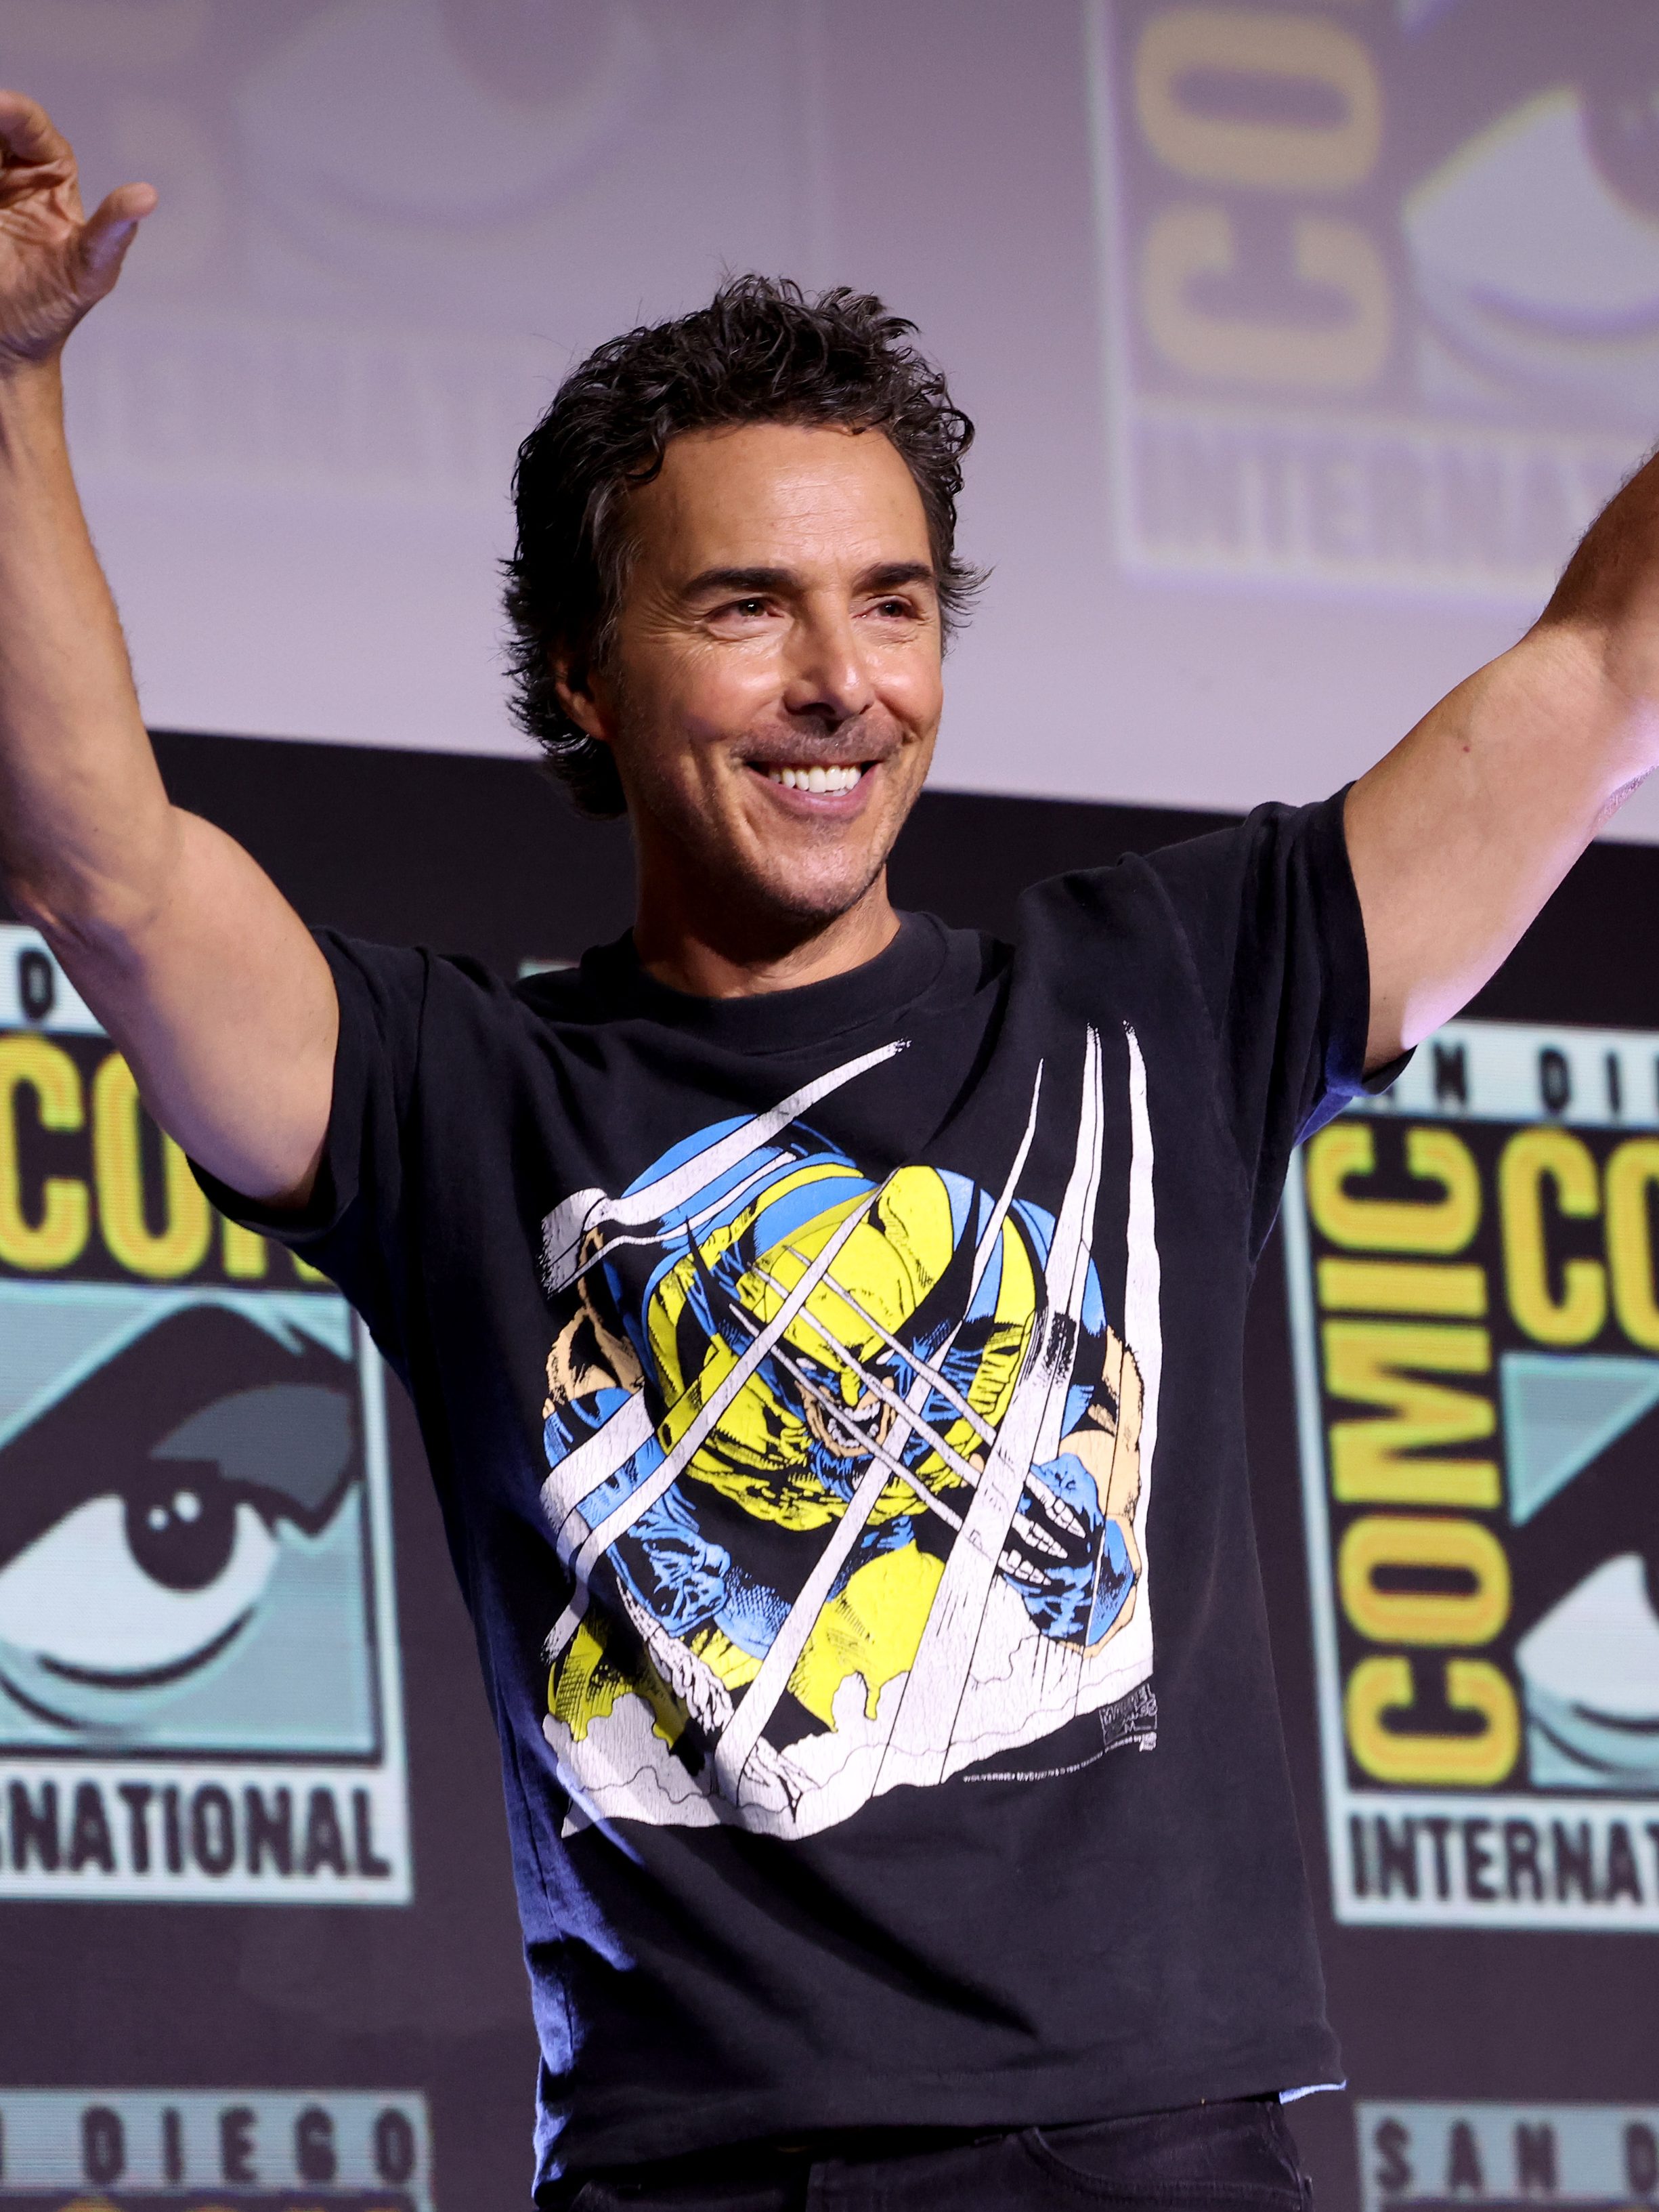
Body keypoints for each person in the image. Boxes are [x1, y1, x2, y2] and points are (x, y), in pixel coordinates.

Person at [0, 89, 1652, 2212]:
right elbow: (103, 872)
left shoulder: (1163, 986)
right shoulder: (453, 1092)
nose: (836, 684)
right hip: (696, 2173)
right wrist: (18, 383)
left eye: (890, 604)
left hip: (1147, 2159)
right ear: (582, 675)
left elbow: (1608, 665)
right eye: (745, 609)